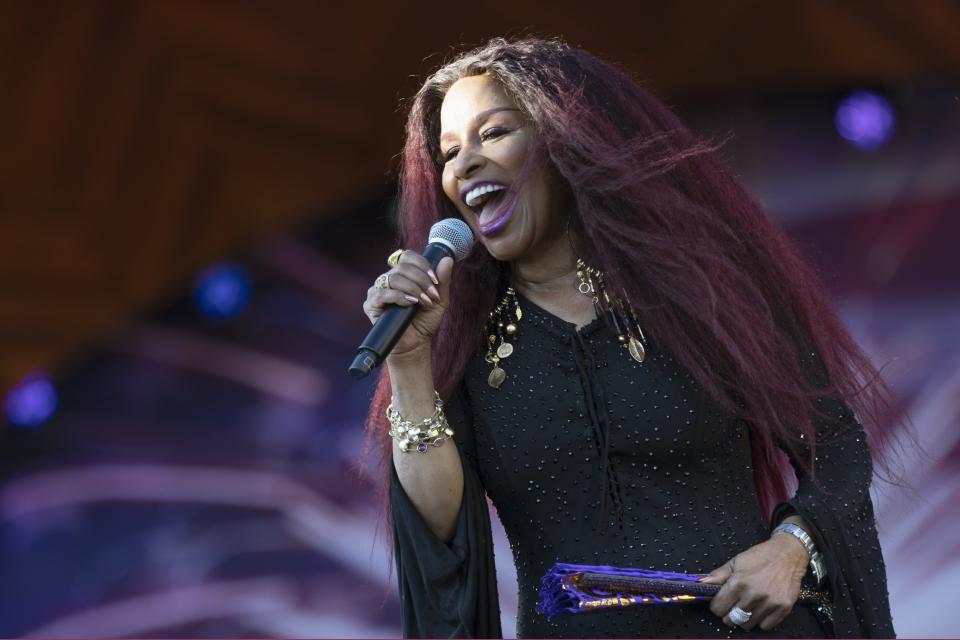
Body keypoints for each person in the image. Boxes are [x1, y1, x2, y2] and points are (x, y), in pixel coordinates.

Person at [362, 37, 898, 638]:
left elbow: (835, 444)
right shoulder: (459, 345)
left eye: (494, 133)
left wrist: (795, 544)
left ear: (563, 139)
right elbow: (440, 530)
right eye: (450, 152)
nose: (464, 165)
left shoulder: (696, 294)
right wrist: (409, 365)